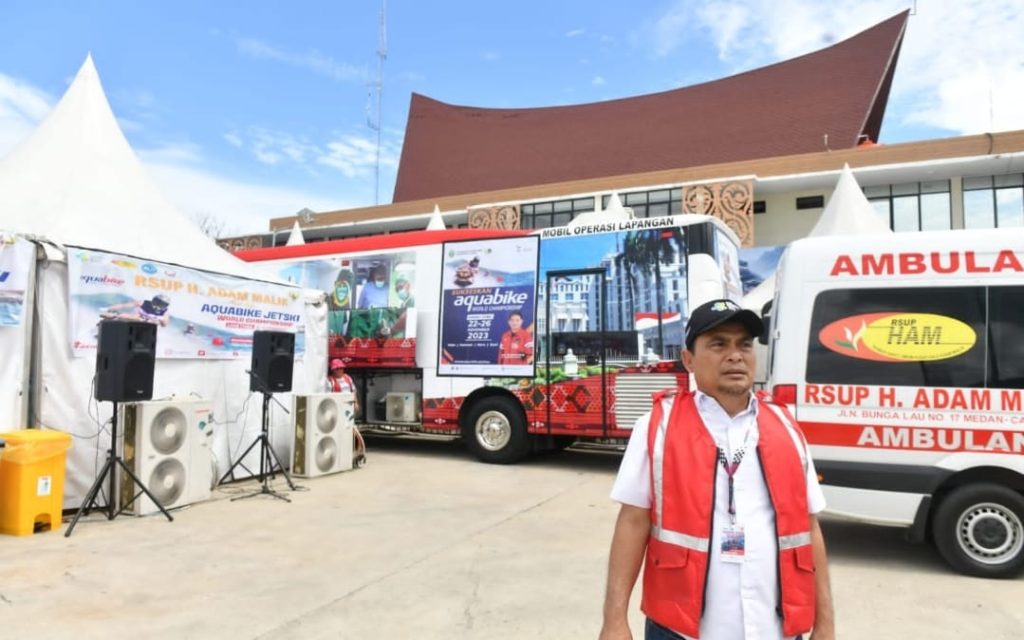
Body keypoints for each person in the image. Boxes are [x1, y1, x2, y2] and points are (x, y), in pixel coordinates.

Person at [599, 299, 834, 640]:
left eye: (745, 345)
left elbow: (808, 529)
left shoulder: (786, 427)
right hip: (681, 630)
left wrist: (826, 624)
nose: (736, 355)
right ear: (688, 360)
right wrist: (614, 620)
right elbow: (633, 522)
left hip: (775, 629)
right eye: (719, 344)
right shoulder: (658, 427)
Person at [100, 294, 171, 327]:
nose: (158, 305)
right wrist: (108, 308)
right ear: (154, 300)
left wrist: (161, 321)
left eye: (162, 304)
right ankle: (114, 316)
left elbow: (164, 325)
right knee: (138, 317)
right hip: (134, 317)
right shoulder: (144, 303)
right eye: (157, 302)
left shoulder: (165, 312)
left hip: (146, 326)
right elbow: (123, 305)